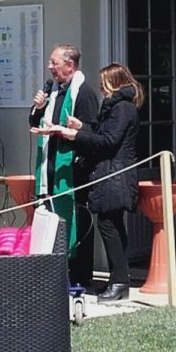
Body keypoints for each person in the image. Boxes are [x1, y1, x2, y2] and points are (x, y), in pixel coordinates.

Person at [55, 62, 143, 302]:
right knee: (111, 226)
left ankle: (119, 281)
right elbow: (104, 134)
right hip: (112, 172)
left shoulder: (122, 108)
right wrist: (82, 127)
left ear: (114, 84)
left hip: (115, 174)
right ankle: (118, 280)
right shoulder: (117, 107)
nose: (101, 89)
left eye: (104, 84)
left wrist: (76, 135)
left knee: (109, 226)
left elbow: (109, 142)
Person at [29, 44, 99, 286]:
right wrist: (38, 109)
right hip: (49, 169)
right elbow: (36, 123)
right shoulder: (53, 91)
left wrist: (69, 130)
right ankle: (53, 272)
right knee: (51, 222)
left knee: (76, 221)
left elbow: (92, 133)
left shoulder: (84, 93)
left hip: (73, 171)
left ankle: (79, 276)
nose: (50, 67)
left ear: (69, 65)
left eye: (54, 63)